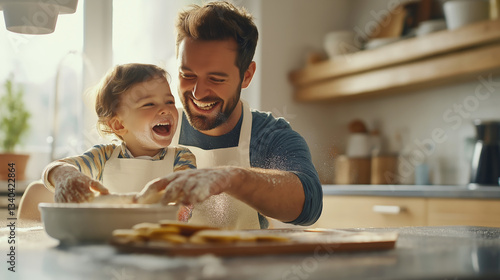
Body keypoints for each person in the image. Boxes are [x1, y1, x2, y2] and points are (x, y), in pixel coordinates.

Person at [135, 1, 323, 229]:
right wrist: (77, 171)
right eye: (188, 75)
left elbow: (309, 205)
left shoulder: (267, 136)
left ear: (246, 75)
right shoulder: (155, 127)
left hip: (243, 264)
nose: (198, 92)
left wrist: (232, 178)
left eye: (216, 79)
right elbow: (102, 164)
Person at [18, 63, 196, 220]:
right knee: (36, 191)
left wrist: (182, 207)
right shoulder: (103, 156)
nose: (165, 109)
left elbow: (187, 192)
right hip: (108, 237)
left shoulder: (181, 157)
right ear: (118, 125)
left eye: (169, 101)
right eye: (149, 104)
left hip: (158, 236)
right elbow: (56, 167)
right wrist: (65, 175)